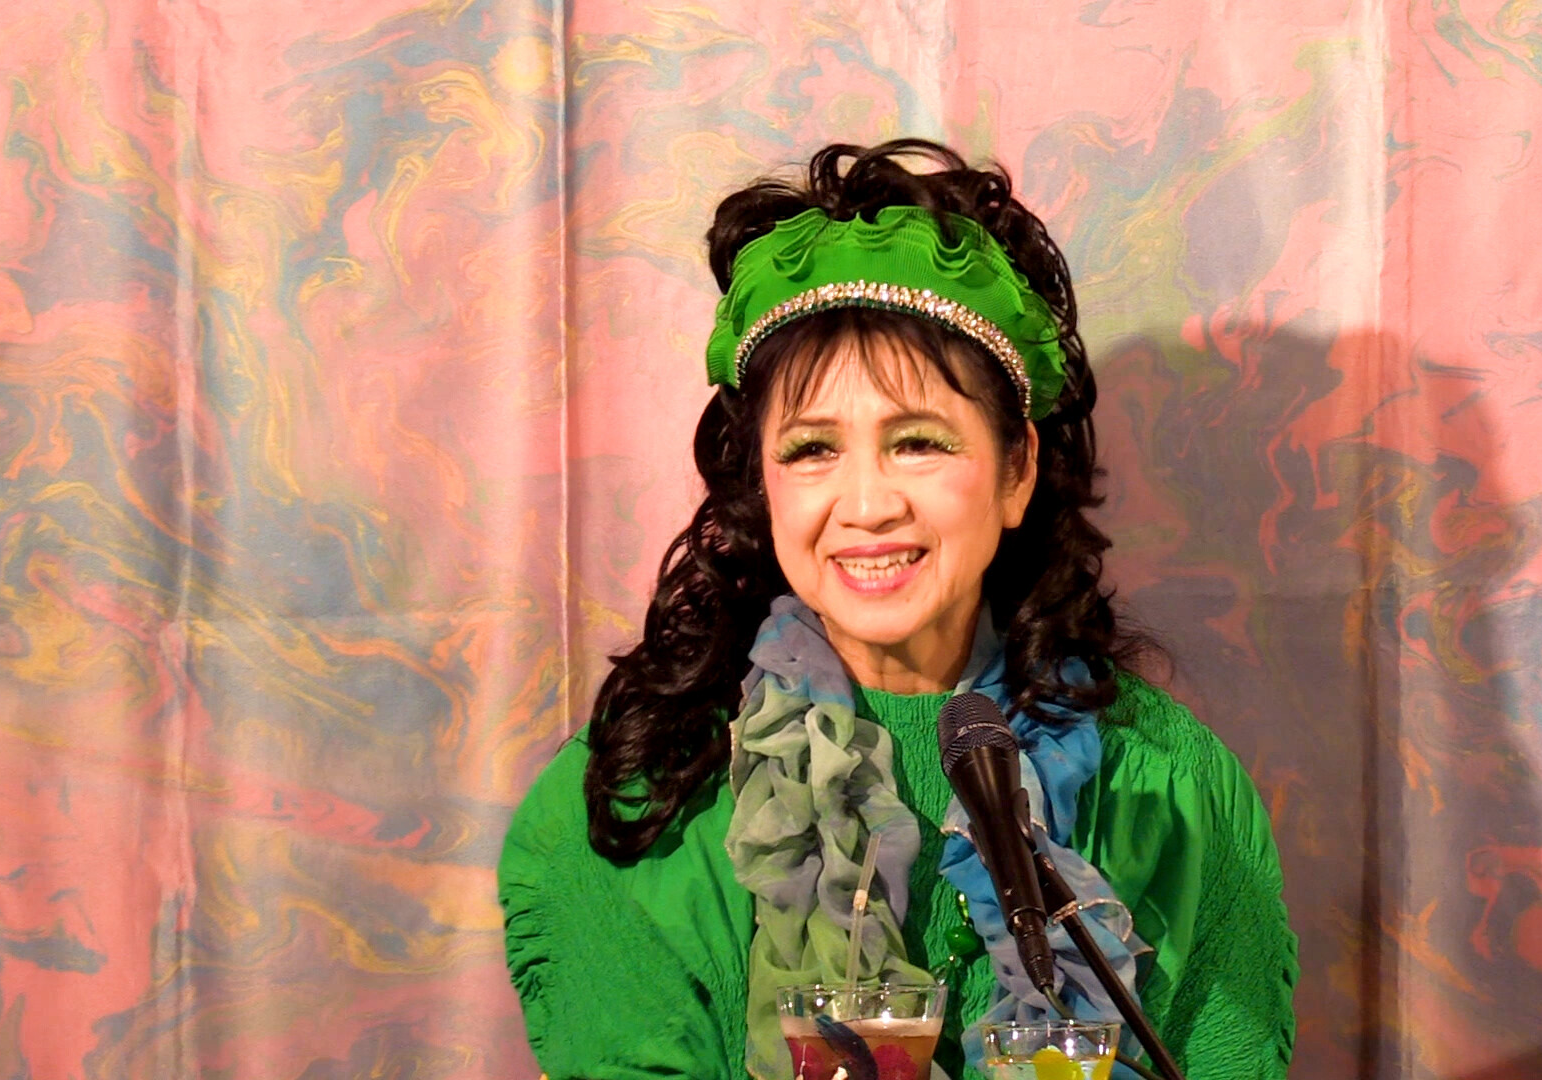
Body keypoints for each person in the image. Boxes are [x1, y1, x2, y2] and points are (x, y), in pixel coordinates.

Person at [497, 140, 1297, 1080]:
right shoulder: (642, 797)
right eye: (812, 450)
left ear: (1016, 470)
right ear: (763, 482)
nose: (868, 504)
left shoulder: (1170, 788)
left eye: (918, 442)